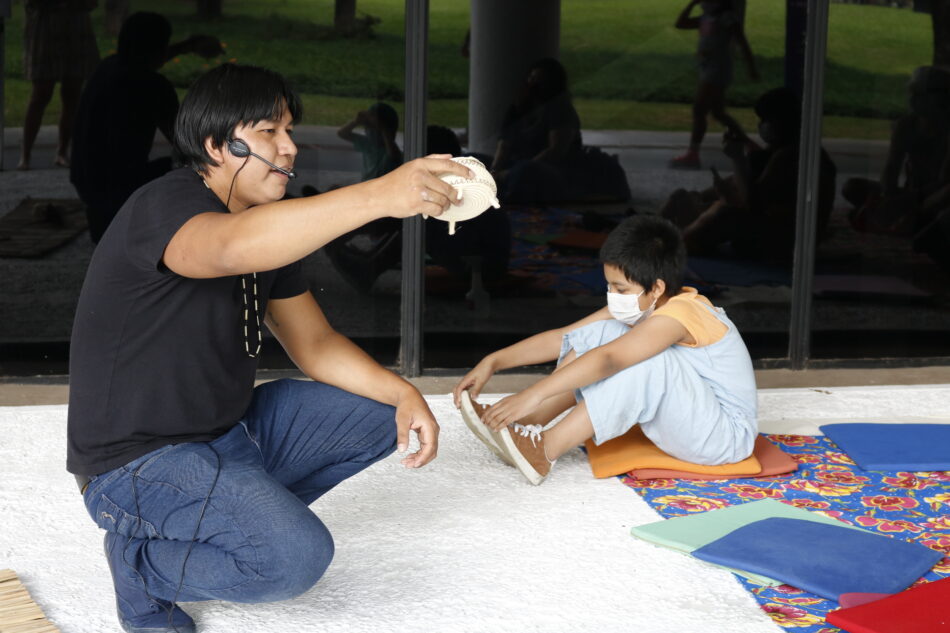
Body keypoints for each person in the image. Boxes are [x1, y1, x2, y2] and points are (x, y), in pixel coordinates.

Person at [67, 63, 473, 633]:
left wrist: (404, 392)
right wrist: (382, 193)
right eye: (268, 133)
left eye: (289, 131)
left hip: (229, 432)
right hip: (135, 463)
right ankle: (142, 566)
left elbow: (315, 343)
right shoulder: (163, 206)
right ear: (219, 144)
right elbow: (230, 248)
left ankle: (230, 511)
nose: (289, 148)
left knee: (383, 417)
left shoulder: (269, 228)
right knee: (294, 559)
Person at [451, 215, 757, 485]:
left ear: (658, 288)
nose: (612, 296)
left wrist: (532, 392)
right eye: (609, 285)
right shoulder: (642, 306)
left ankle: (543, 450)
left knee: (644, 361)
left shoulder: (683, 314)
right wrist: (492, 361)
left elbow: (610, 359)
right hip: (693, 421)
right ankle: (528, 423)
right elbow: (565, 337)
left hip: (724, 437)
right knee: (603, 332)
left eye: (620, 289)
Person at [70, 12, 223, 243]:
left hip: (86, 181)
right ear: (159, 48)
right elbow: (188, 143)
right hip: (122, 189)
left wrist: (186, 46)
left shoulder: (105, 68)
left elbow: (140, 59)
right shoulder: (152, 87)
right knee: (195, 166)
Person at [665, 87, 837, 264]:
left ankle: (680, 242)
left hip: (788, 245)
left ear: (783, 122)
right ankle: (663, 233)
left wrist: (738, 158)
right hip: (777, 232)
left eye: (766, 120)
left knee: (723, 212)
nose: (762, 125)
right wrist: (703, 197)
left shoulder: (793, 156)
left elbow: (753, 203)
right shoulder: (780, 151)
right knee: (685, 199)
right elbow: (742, 185)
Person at [670, 0, 759, 169]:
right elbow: (680, 23)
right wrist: (691, 5)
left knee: (699, 109)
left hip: (717, 70)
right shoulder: (706, 17)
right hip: (708, 68)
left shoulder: (726, 18)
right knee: (718, 113)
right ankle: (749, 144)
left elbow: (742, 41)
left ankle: (693, 154)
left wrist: (751, 67)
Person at [18, 0, 99, 170]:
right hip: (46, 28)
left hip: (75, 28)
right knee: (41, 93)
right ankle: (25, 154)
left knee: (72, 93)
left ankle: (62, 151)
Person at [337, 102, 404, 182]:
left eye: (374, 128)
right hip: (366, 185)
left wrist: (383, 129)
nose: (368, 130)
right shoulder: (368, 143)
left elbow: (393, 155)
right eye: (367, 126)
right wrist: (356, 122)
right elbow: (341, 133)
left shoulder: (391, 150)